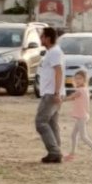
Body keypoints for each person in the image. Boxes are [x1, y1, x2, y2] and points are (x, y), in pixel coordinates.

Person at [35, 27, 65, 165]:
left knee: (41, 122)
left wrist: (56, 92)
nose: (40, 39)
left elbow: (58, 71)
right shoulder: (52, 52)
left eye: (42, 37)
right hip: (51, 92)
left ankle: (54, 152)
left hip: (51, 93)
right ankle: (56, 151)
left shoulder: (54, 53)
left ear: (47, 38)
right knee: (52, 123)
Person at [64, 69, 92, 162]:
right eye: (76, 78)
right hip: (82, 116)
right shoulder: (84, 89)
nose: (77, 80)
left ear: (84, 80)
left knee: (83, 136)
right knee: (73, 135)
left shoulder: (80, 90)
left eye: (79, 78)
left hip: (82, 116)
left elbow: (71, 97)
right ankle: (72, 154)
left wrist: (60, 99)